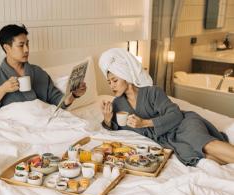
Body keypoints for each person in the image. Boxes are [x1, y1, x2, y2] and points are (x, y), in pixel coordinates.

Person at [99, 48, 234, 166]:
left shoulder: (152, 92)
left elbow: (176, 114)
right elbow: (116, 128)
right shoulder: (118, 103)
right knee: (195, 155)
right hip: (168, 139)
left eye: (115, 80)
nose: (111, 86)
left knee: (206, 145)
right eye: (109, 82)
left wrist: (144, 123)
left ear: (126, 77)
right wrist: (107, 119)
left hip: (182, 124)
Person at [0, 24, 86, 118]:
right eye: (21, 45)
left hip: (40, 121)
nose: (27, 49)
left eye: (27, 44)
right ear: (7, 48)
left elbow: (57, 101)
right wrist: (2, 90)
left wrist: (73, 95)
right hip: (13, 127)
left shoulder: (37, 72)